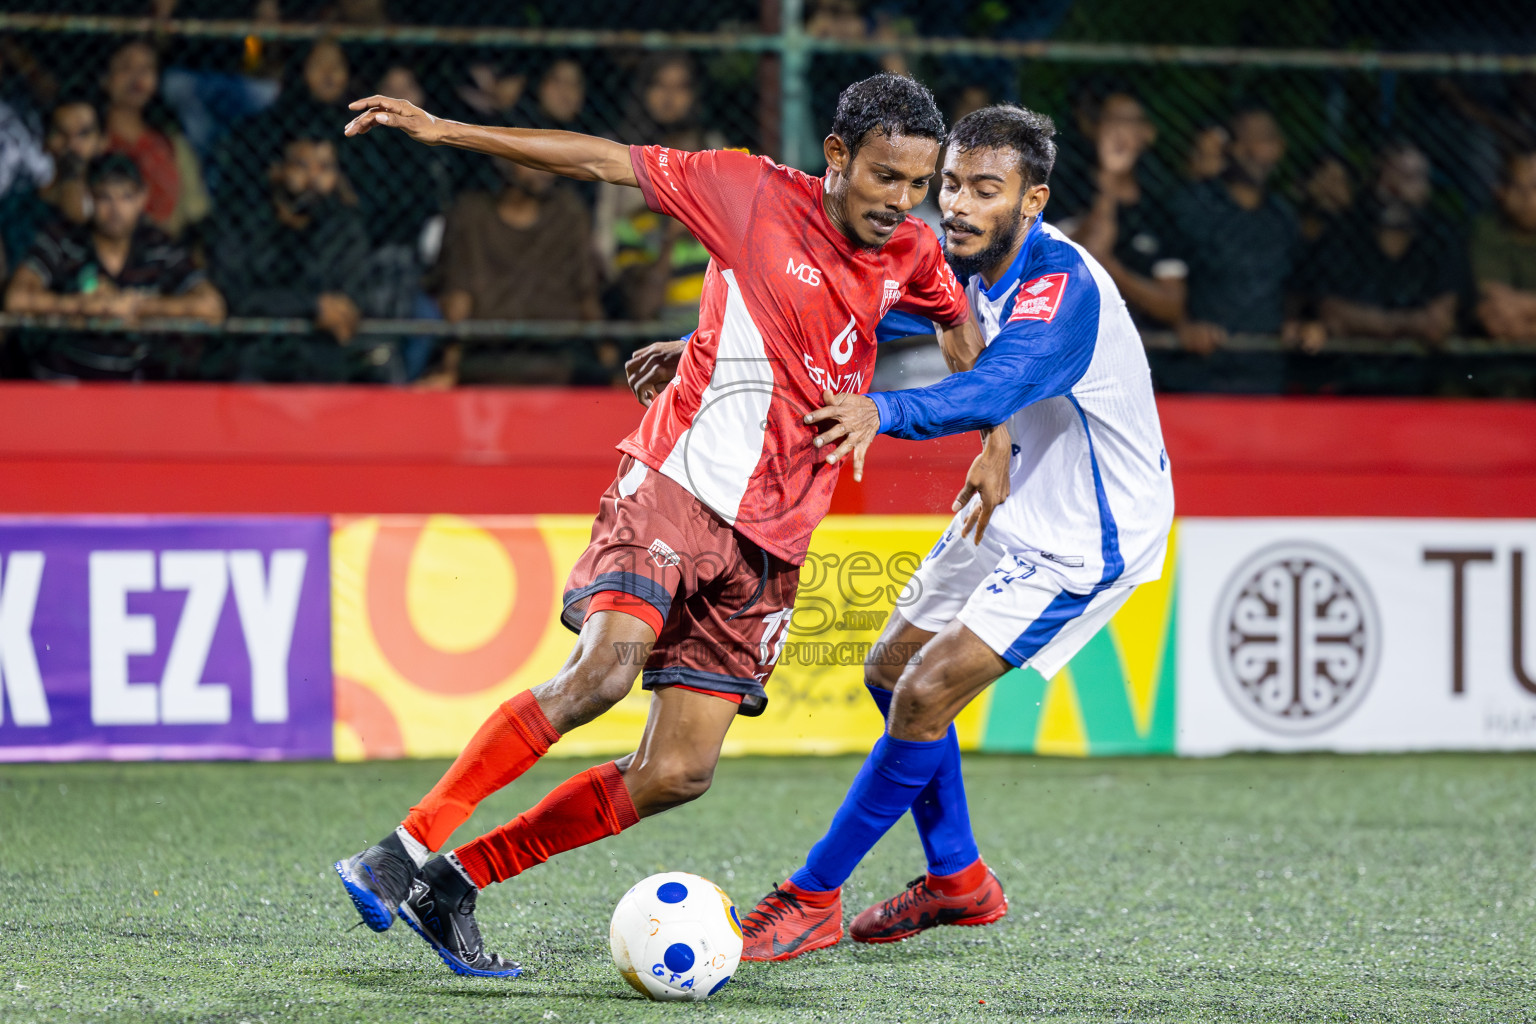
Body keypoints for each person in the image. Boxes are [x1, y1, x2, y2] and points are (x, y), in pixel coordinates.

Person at [332, 72, 989, 978]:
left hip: (774, 539)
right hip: (677, 484)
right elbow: (601, 159)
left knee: (679, 770)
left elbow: (954, 333)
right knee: (600, 674)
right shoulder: (748, 189)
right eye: (886, 177)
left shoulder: (912, 249)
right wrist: (446, 131)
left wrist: (993, 441)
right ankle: (401, 850)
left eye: (918, 183)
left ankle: (457, 880)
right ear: (837, 156)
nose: (902, 202)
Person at [735, 104, 1173, 961]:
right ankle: (959, 881)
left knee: (928, 691)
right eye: (951, 187)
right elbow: (846, 307)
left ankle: (812, 896)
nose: (958, 206)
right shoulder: (962, 264)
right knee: (890, 672)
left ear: (1032, 200)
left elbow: (989, 386)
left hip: (1090, 530)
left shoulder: (1062, 288)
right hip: (1014, 501)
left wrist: (883, 407)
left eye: (985, 189)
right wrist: (704, 343)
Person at [3, 153, 225, 379]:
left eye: (126, 197)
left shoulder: (158, 247)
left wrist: (138, 307)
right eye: (104, 198)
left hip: (132, 386)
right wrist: (81, 305)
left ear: (142, 197)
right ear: (90, 197)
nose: (115, 210)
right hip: (61, 381)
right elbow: (16, 298)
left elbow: (211, 307)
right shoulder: (63, 241)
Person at [206, 132, 384, 381]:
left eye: (325, 168)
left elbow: (346, 305)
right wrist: (312, 305)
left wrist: (284, 303)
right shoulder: (242, 224)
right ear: (277, 171)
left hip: (321, 355)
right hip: (252, 350)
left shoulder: (345, 229)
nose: (314, 179)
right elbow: (236, 298)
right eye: (302, 166)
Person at [433, 158, 603, 383]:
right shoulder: (472, 215)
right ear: (504, 161)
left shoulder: (568, 213)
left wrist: (608, 357)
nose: (545, 171)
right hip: (488, 352)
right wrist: (450, 367)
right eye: (531, 160)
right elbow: (458, 297)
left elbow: (586, 292)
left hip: (557, 351)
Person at [1167, 106, 1305, 355]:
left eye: (1264, 139)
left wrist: (1296, 324)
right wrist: (1183, 325)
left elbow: (1297, 285)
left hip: (1266, 365)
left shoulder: (1284, 217)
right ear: (1229, 147)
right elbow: (1166, 272)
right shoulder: (1193, 205)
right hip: (1200, 364)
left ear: (1280, 147)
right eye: (1244, 139)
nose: (1253, 150)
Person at [1306, 140, 1463, 349]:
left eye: (1410, 178)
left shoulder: (1441, 237)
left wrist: (1369, 322)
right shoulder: (1344, 232)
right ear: (1374, 180)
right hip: (1350, 371)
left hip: (1421, 374)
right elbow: (1332, 314)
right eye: (1390, 174)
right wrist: (1411, 323)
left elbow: (1441, 320)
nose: (1396, 188)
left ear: (1427, 187)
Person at [1059, 90, 1187, 330]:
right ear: (1094, 129)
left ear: (1148, 133)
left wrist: (1111, 268)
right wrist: (1109, 179)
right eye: (1112, 120)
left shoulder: (1161, 206)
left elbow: (1171, 305)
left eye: (1129, 121)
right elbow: (1090, 252)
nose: (1119, 130)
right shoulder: (1066, 189)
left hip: (1142, 345)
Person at [100, 38, 209, 237]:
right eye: (126, 67)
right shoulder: (94, 143)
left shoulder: (172, 145)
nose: (137, 78)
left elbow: (195, 212)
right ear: (105, 78)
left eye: (146, 69)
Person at [1472, 146, 1536, 344]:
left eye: (1535, 187)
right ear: (1502, 191)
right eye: (1518, 187)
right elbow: (1496, 314)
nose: (1526, 199)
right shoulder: (1488, 230)